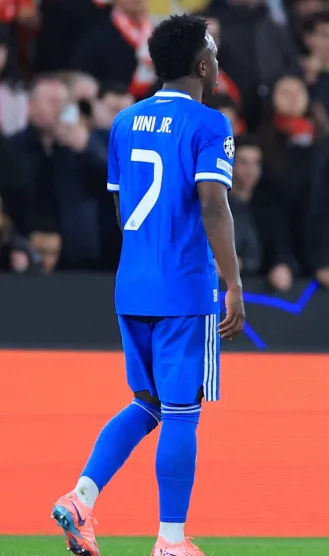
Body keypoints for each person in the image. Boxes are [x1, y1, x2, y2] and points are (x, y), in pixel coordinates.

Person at [50, 14, 245, 556]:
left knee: (148, 402)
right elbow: (213, 203)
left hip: (133, 283)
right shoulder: (210, 125)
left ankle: (82, 497)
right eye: (213, 51)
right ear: (203, 64)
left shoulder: (125, 122)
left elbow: (120, 206)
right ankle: (171, 540)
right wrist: (232, 283)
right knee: (183, 411)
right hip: (184, 286)